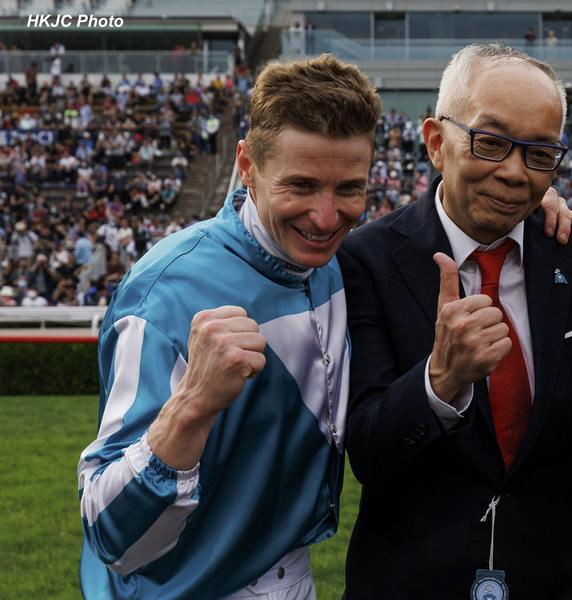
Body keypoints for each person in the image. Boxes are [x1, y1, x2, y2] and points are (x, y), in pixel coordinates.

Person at [77, 55, 381, 599]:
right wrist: (193, 404)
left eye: (349, 189)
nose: (327, 217)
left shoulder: (335, 262)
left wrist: (534, 203)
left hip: (293, 573)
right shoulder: (165, 294)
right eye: (302, 186)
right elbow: (109, 534)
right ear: (247, 165)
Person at [339, 43, 572, 598]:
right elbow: (366, 452)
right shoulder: (365, 260)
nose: (514, 173)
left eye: (539, 154)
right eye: (490, 143)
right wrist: (439, 382)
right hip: (410, 583)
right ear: (437, 142)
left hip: (554, 580)